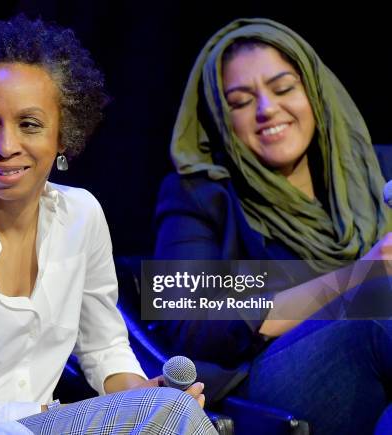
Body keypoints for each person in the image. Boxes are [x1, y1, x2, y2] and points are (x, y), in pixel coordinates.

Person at [0, 15, 217, 434]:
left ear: (63, 137)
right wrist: (100, 415)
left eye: (29, 124)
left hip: (44, 426)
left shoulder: (82, 215)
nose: (4, 146)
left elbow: (104, 347)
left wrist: (142, 392)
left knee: (171, 413)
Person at [155, 18, 392, 434]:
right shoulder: (202, 195)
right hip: (272, 376)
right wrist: (360, 275)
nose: (267, 110)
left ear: (313, 92)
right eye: (242, 102)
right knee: (379, 310)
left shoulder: (378, 170)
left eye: (283, 89)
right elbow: (187, 314)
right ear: (221, 116)